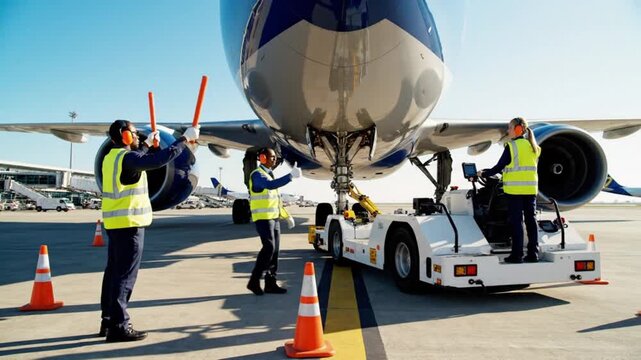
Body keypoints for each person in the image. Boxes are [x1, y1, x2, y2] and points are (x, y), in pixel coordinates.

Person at [99, 119, 199, 342]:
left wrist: (148, 144)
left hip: (115, 224)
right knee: (125, 277)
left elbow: (141, 158)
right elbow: (159, 160)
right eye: (134, 134)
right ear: (125, 136)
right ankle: (119, 326)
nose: (137, 137)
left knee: (113, 274)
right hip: (130, 225)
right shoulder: (129, 158)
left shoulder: (112, 158)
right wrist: (184, 139)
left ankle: (108, 320)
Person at [478, 117, 541, 263]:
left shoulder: (512, 147)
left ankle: (517, 255)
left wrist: (482, 174)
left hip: (515, 191)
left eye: (510, 128)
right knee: (531, 221)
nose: (508, 131)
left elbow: (499, 167)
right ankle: (533, 254)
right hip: (531, 190)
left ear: (518, 129)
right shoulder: (534, 147)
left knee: (516, 222)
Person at [246, 148, 300, 295]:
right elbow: (269, 186)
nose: (274, 160)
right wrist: (290, 176)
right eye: (271, 157)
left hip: (274, 219)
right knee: (268, 248)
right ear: (262, 158)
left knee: (275, 252)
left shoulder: (270, 175)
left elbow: (276, 202)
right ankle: (254, 281)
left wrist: (286, 216)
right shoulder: (257, 175)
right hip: (263, 219)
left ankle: (270, 284)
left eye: (276, 157)